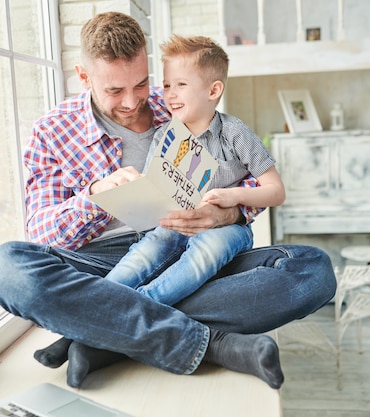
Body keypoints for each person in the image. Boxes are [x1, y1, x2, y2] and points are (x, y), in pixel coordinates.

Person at [0, 11, 337, 390]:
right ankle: (210, 344)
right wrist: (96, 197)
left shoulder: (177, 100)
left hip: (189, 251)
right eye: (114, 91)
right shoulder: (52, 130)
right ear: (84, 77)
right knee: (7, 268)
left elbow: (248, 175)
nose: (133, 100)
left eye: (141, 83)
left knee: (312, 271)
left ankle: (100, 332)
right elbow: (43, 233)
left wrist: (229, 213)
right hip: (101, 264)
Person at [103, 34, 286, 307]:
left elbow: (276, 191)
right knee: (144, 253)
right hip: (175, 223)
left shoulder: (234, 133)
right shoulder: (164, 136)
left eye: (181, 85)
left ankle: (139, 305)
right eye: (166, 85)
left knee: (208, 251)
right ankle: (94, 302)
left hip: (227, 228)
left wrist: (233, 196)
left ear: (213, 91)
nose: (170, 94)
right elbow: (155, 187)